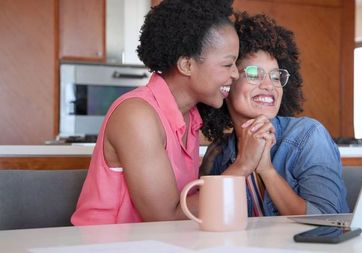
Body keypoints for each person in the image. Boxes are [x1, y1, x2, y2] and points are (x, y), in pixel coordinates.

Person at [71, 0, 270, 225]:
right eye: (227, 64)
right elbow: (164, 217)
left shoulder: (191, 116)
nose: (235, 74)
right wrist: (243, 165)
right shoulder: (137, 115)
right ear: (186, 65)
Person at [199, 12, 349, 217]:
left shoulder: (308, 137)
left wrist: (267, 171)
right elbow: (205, 219)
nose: (269, 85)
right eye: (253, 74)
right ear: (228, 80)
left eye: (276, 76)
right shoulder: (218, 154)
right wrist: (241, 165)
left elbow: (329, 223)